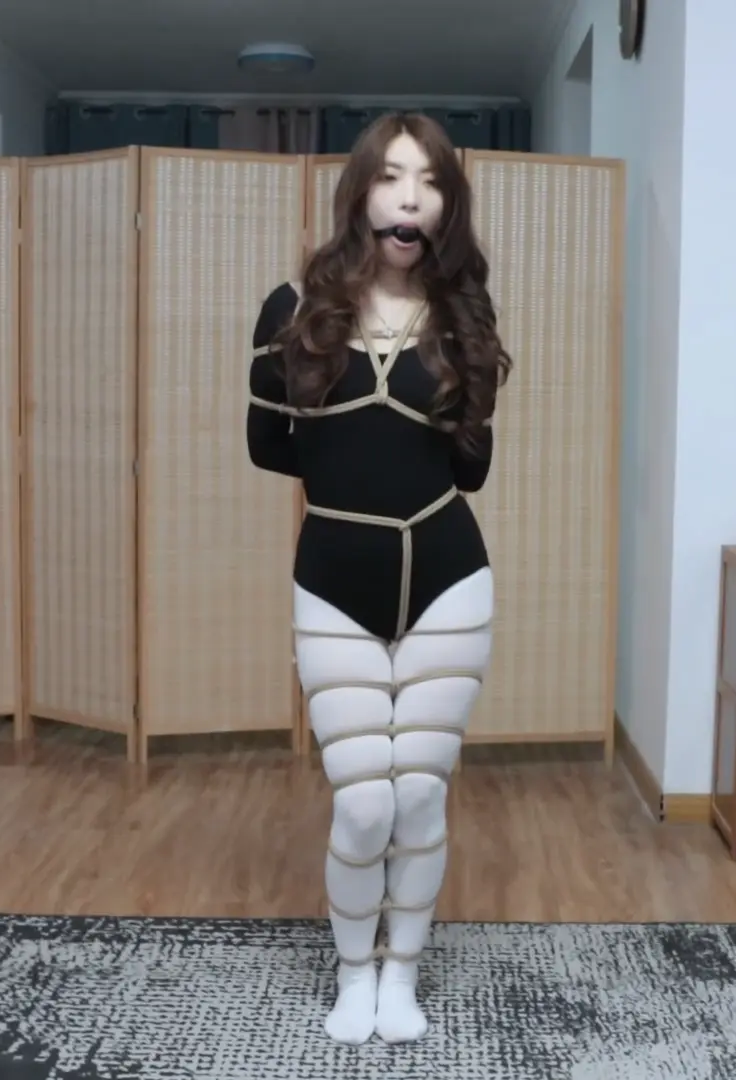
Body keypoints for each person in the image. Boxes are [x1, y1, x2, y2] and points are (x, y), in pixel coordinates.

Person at [243, 112, 511, 1045]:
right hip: (333, 579)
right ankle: (353, 974)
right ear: (360, 192)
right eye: (392, 177)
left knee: (421, 795)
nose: (409, 198)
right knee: (363, 801)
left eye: (430, 182)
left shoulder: (465, 313)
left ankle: (402, 975)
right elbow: (266, 445)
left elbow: (472, 471)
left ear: (447, 205)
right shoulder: (292, 309)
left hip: (449, 576)